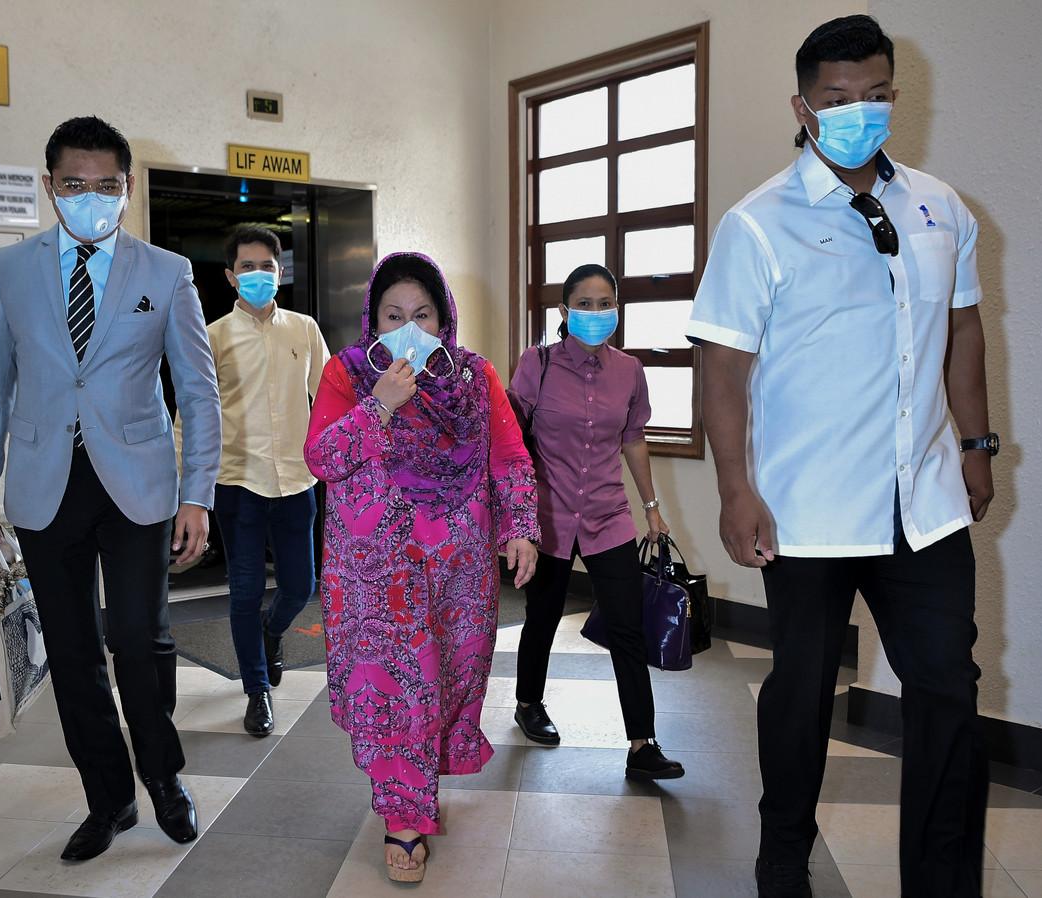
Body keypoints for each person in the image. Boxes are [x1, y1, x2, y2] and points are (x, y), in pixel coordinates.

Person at [688, 16, 994, 898]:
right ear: (803, 105)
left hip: (924, 501)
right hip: (807, 510)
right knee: (803, 689)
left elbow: (963, 328)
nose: (859, 112)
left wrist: (976, 446)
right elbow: (723, 370)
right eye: (837, 99)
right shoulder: (758, 225)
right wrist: (735, 490)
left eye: (875, 96)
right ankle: (783, 849)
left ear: (895, 95)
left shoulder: (940, 207)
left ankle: (942, 881)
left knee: (948, 688)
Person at [0, 116, 221, 862]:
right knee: (73, 655)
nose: (91, 197)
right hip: (46, 486)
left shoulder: (164, 271)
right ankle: (108, 800)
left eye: (107, 185)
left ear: (127, 188)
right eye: (75, 184)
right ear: (50, 187)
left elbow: (198, 394)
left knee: (138, 643)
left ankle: (164, 777)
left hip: (137, 484)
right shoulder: (12, 269)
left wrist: (197, 493)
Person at [304, 252, 539, 882]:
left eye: (422, 314)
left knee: (451, 683)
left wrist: (520, 529)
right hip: (377, 573)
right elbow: (322, 457)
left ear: (444, 319)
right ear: (372, 320)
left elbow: (511, 457)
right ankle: (403, 820)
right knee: (399, 692)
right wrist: (379, 405)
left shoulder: (474, 378)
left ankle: (417, 786)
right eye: (393, 314)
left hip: (461, 571)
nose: (409, 326)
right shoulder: (347, 375)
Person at [508, 263, 685, 781]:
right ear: (564, 312)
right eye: (583, 304)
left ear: (616, 310)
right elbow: (513, 437)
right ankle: (528, 703)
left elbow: (633, 438)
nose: (595, 313)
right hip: (549, 513)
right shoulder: (536, 364)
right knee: (542, 614)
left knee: (627, 626)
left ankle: (641, 743)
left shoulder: (629, 371)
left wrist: (652, 509)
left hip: (609, 515)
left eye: (604, 302)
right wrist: (511, 511)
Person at [176, 224, 329, 737]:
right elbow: (193, 415)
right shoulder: (213, 335)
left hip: (297, 480)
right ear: (229, 276)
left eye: (267, 266)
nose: (258, 274)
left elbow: (328, 402)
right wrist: (188, 490)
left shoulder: (304, 330)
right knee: (242, 591)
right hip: (237, 482)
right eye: (247, 267)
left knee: (300, 586)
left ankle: (272, 633)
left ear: (280, 272)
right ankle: (257, 689)